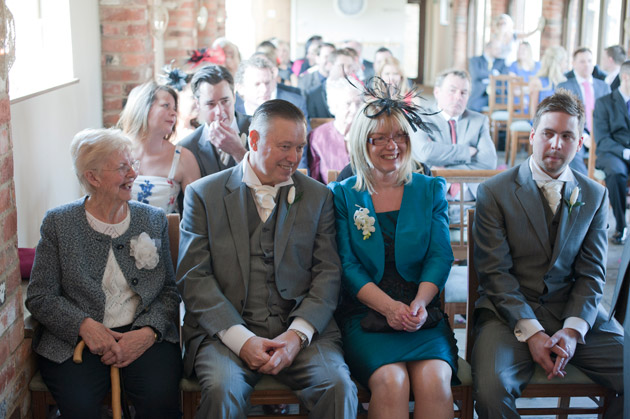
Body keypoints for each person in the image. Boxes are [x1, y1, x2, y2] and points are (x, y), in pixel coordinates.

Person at [176, 99, 358, 418]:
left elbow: (328, 274)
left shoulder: (317, 196)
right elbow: (194, 279)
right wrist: (241, 339)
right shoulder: (203, 195)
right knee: (222, 390)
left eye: (299, 147)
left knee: (338, 386)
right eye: (285, 146)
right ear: (255, 140)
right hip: (226, 334)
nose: (293, 158)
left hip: (300, 334)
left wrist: (296, 335)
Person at [471, 90, 624, 418]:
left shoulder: (594, 195)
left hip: (573, 311)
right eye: (548, 133)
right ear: (532, 136)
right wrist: (533, 331)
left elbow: (593, 273)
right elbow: (495, 273)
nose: (556, 144)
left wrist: (572, 330)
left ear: (579, 143)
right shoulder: (494, 192)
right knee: (491, 388)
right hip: (507, 315)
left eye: (567, 136)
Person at [26, 128, 182, 419]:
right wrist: (83, 325)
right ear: (93, 178)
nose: (134, 174)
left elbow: (169, 292)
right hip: (76, 341)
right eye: (123, 167)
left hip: (144, 334)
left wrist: (147, 333)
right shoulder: (59, 223)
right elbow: (39, 296)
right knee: (80, 406)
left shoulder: (152, 218)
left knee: (159, 402)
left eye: (133, 164)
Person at [329, 93, 459, 419]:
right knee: (392, 381)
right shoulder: (344, 194)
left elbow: (440, 255)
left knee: (435, 380)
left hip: (422, 313)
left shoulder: (429, 189)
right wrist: (388, 308)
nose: (393, 145)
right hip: (366, 314)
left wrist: (418, 303)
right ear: (363, 142)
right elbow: (347, 264)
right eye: (381, 138)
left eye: (401, 135)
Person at [411, 69, 497, 201]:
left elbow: (489, 162)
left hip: (468, 195)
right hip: (430, 195)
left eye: (464, 92)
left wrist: (443, 169)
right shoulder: (420, 118)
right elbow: (425, 152)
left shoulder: (479, 120)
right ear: (437, 92)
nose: (458, 97)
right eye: (452, 90)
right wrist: (467, 152)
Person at [117, 81, 200, 214]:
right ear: (144, 108)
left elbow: (198, 212)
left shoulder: (184, 158)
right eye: (166, 106)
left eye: (174, 108)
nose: (173, 113)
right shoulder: (115, 152)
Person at [179, 65, 252, 178]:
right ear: (198, 104)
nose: (219, 111)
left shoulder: (260, 128)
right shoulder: (187, 148)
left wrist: (238, 152)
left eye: (225, 101)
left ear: (234, 97)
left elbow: (271, 182)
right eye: (210, 104)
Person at [593, 60, 630, 245]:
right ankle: (621, 225)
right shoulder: (604, 103)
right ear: (625, 77)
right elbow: (602, 138)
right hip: (612, 152)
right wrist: (625, 152)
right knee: (616, 173)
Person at [558, 47, 611, 174]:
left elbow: (611, 116)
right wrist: (584, 136)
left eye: (589, 61)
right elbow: (564, 118)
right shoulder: (565, 86)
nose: (586, 65)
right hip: (577, 132)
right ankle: (585, 186)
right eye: (582, 61)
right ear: (574, 63)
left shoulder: (604, 86)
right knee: (572, 151)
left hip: (602, 134)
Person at [308, 78, 362, 183]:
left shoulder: (370, 134)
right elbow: (313, 181)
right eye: (348, 103)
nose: (354, 109)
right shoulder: (318, 137)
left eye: (358, 103)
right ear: (334, 105)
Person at [306, 48, 358, 118]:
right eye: (341, 65)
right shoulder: (313, 94)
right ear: (329, 65)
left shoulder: (358, 90)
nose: (346, 70)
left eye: (349, 66)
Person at [468, 41, 508, 112]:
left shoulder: (502, 62)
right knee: (472, 107)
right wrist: (493, 73)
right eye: (496, 49)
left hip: (497, 96)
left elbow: (503, 77)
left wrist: (485, 78)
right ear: (488, 49)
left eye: (500, 49)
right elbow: (476, 74)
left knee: (509, 106)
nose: (499, 51)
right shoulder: (475, 61)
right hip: (480, 95)